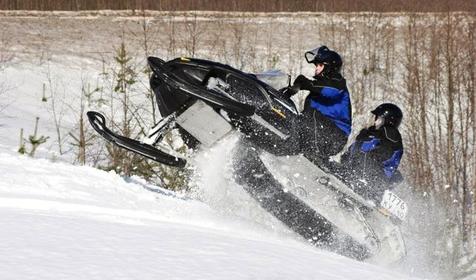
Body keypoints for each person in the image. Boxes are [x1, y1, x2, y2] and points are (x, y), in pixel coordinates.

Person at [284, 45, 352, 167]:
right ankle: (286, 148)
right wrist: (288, 92)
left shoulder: (337, 82)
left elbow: (329, 91)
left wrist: (306, 83)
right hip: (321, 132)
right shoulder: (318, 88)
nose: (316, 69)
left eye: (320, 65)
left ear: (329, 68)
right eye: (316, 66)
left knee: (310, 115)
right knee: (297, 118)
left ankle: (313, 155)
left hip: (335, 135)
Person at [340, 103, 404, 202]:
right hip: (356, 173)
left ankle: (362, 188)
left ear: (387, 121)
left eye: (378, 118)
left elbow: (384, 153)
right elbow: (352, 152)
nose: (375, 121)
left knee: (364, 158)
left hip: (374, 178)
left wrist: (365, 156)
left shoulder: (391, 134)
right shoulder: (370, 135)